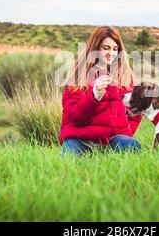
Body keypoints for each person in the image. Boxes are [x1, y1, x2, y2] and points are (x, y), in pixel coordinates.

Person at [59, 26, 142, 156]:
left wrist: (126, 133)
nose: (111, 53)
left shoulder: (125, 77)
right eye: (106, 48)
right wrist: (94, 97)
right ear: (95, 48)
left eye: (115, 49)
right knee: (69, 155)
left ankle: (108, 151)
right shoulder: (78, 76)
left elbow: (135, 111)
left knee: (132, 146)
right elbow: (73, 115)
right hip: (81, 139)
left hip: (112, 140)